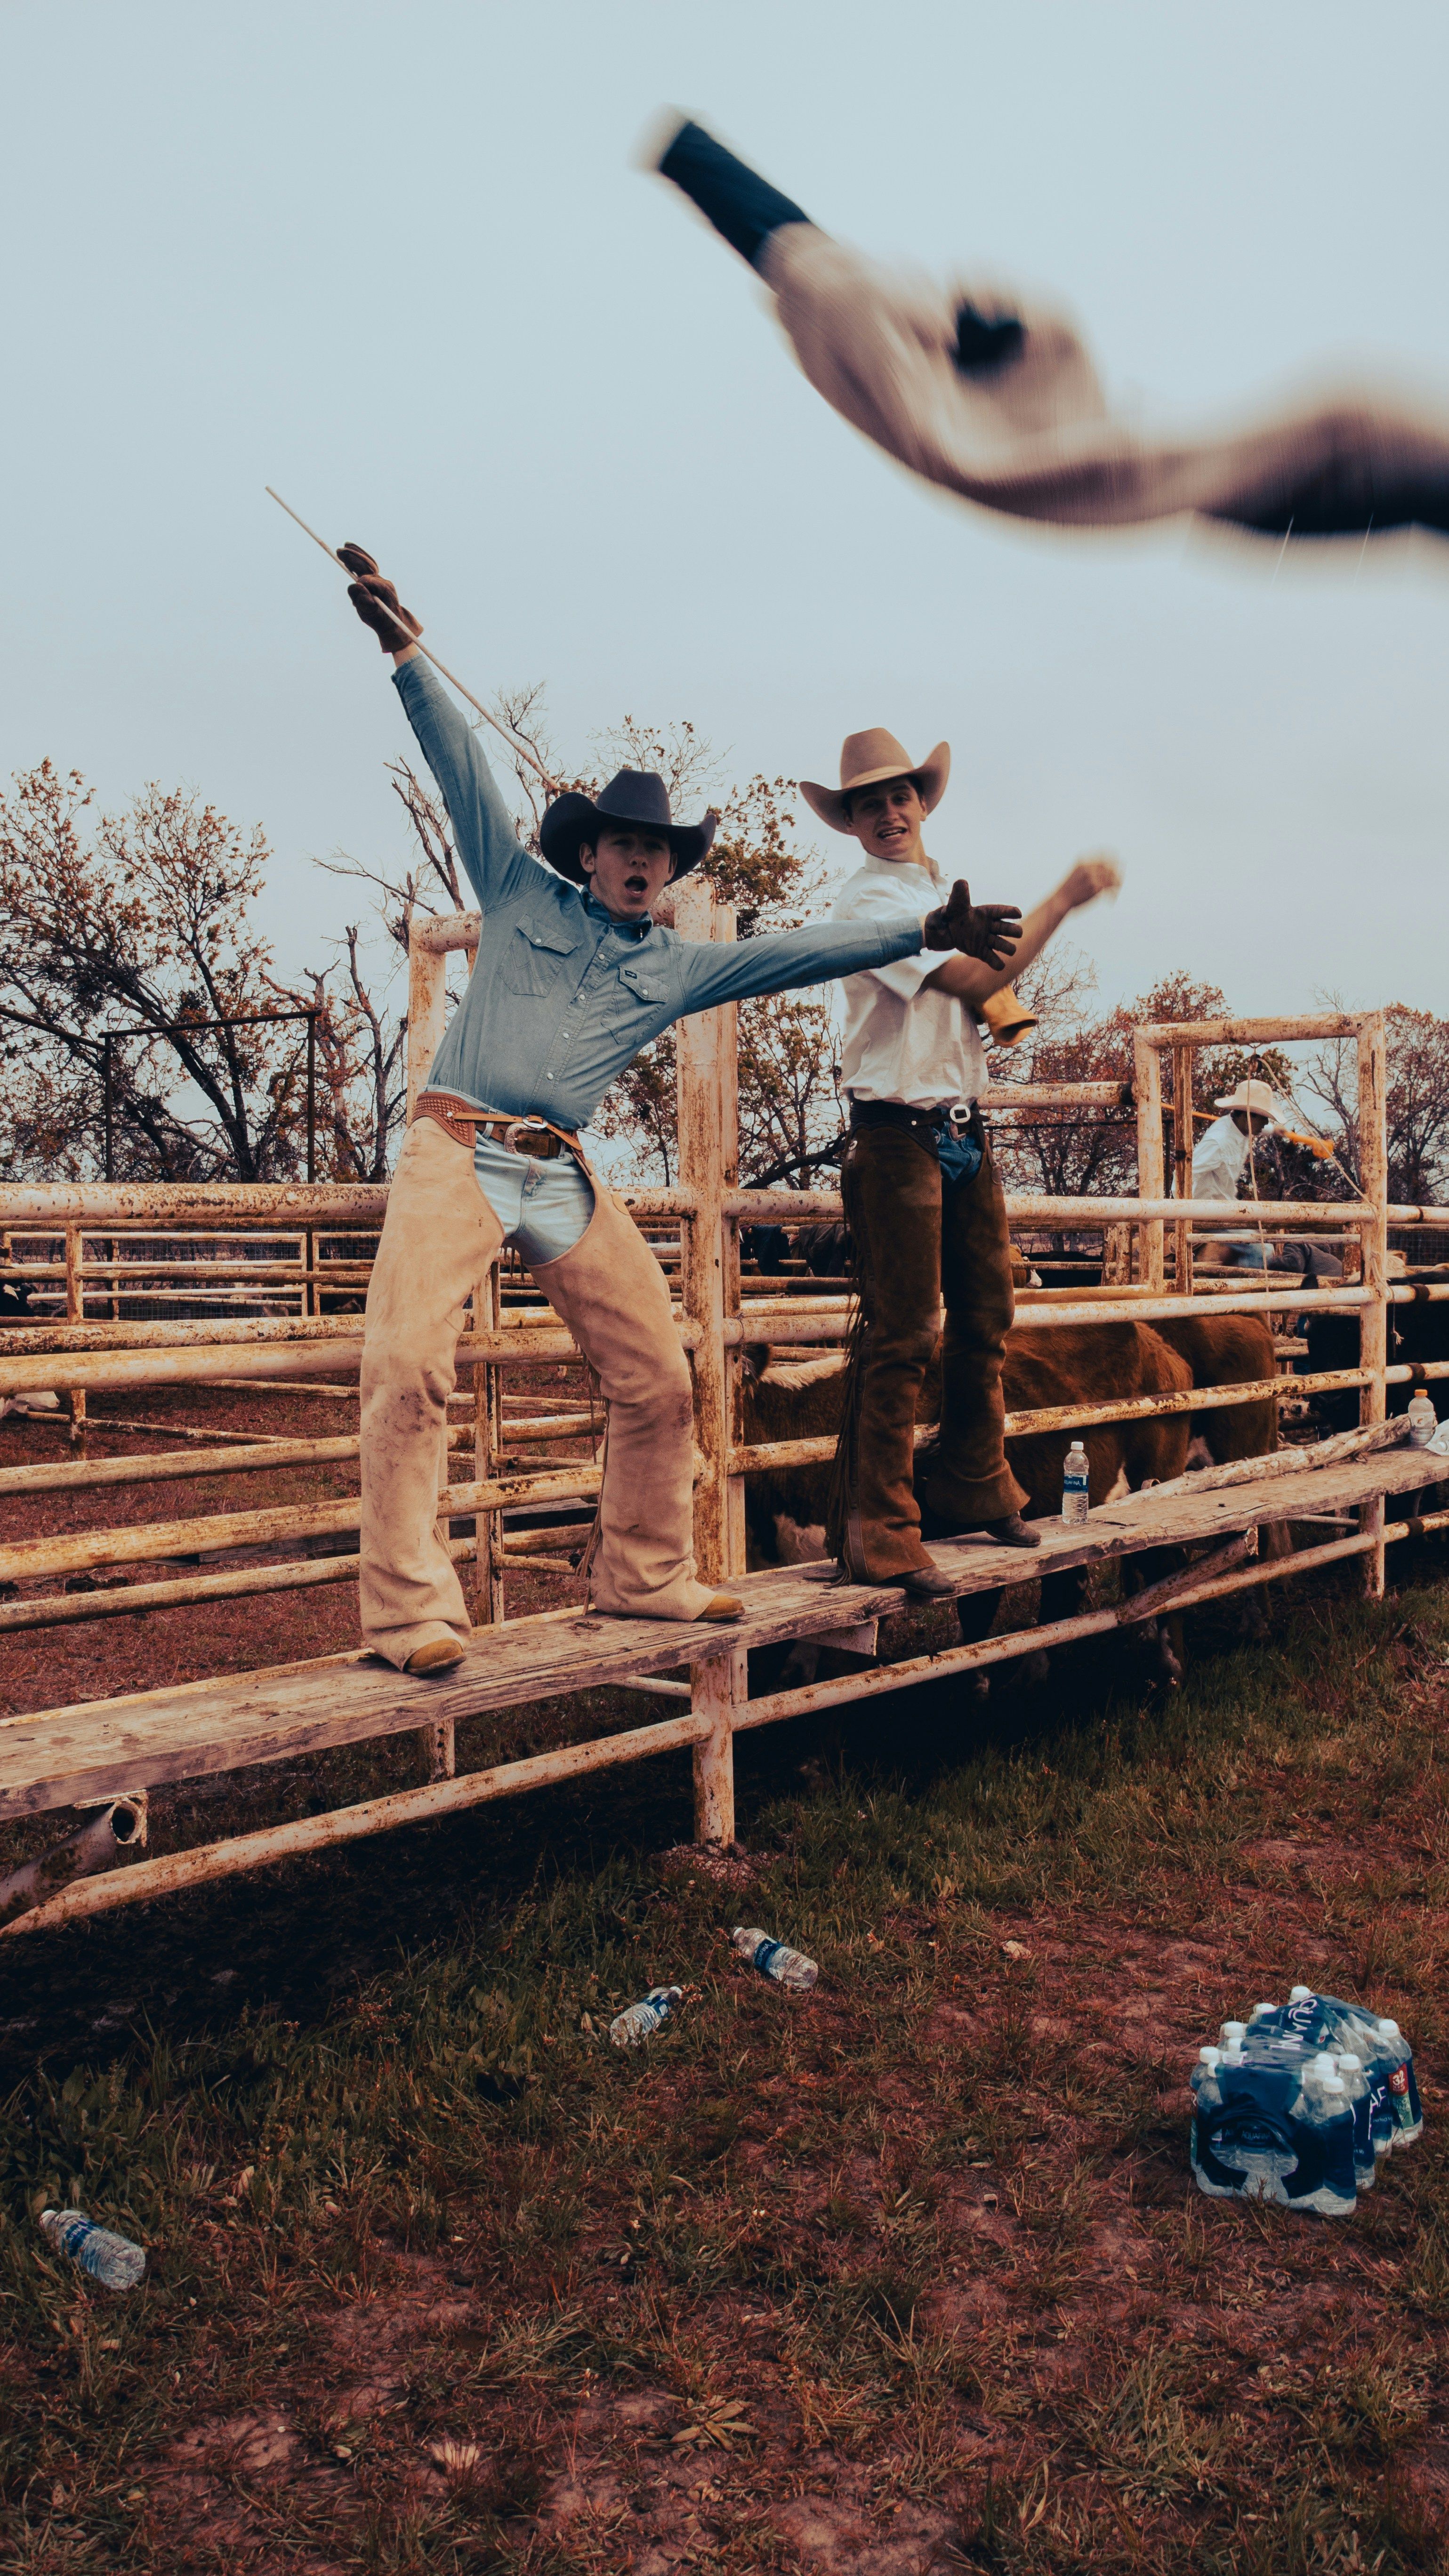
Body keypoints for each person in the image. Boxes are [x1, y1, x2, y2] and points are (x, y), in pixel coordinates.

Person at [341, 551, 1022, 1673]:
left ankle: (644, 1573)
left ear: (667, 869)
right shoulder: (516, 892)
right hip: (457, 1145)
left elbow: (793, 953)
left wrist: (920, 935)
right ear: (590, 852)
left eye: (657, 850)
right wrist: (409, 652)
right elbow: (461, 764)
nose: (641, 861)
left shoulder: (672, 965)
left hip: (555, 1169)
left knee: (658, 1374)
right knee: (409, 1364)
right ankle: (408, 1614)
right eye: (624, 844)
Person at [799, 727, 1120, 1593]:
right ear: (853, 823)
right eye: (869, 804)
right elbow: (974, 987)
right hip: (894, 1130)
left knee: (986, 1314)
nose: (887, 812)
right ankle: (880, 1530)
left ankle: (978, 1483)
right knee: (902, 1331)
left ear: (921, 803)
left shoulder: (941, 891)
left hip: (957, 1128)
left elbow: (984, 998)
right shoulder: (867, 906)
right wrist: (1063, 899)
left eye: (898, 796)